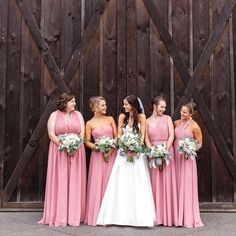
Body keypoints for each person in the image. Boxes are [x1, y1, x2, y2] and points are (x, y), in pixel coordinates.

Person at [96, 95, 156, 227]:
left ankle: (140, 217)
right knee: (122, 183)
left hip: (137, 155)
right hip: (123, 154)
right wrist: (115, 146)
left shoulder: (142, 117)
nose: (124, 107)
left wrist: (136, 148)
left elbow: (141, 136)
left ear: (133, 105)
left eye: (126, 104)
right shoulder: (122, 117)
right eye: (124, 104)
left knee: (137, 182)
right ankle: (119, 216)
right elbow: (119, 135)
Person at [39, 92, 86, 226]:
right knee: (60, 180)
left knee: (75, 181)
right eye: (72, 102)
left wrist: (75, 145)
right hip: (59, 152)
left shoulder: (78, 115)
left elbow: (82, 133)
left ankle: (74, 215)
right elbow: (51, 134)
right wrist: (65, 146)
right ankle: (59, 215)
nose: (74, 104)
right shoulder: (54, 115)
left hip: (77, 151)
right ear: (65, 103)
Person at [84, 96, 117, 226]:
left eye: (105, 105)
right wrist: (95, 147)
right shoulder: (89, 123)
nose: (105, 107)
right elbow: (86, 141)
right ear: (95, 107)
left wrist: (110, 148)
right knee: (97, 183)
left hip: (112, 154)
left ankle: (112, 215)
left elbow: (117, 136)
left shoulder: (110, 119)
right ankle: (97, 215)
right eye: (102, 105)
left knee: (111, 182)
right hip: (97, 157)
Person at [146, 96, 178, 226]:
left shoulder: (168, 119)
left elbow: (171, 135)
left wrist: (166, 150)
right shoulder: (147, 121)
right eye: (161, 107)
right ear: (154, 106)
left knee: (167, 181)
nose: (163, 109)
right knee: (155, 183)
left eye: (164, 107)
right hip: (153, 153)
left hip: (166, 151)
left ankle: (168, 216)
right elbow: (146, 138)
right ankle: (156, 216)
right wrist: (151, 151)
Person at [174, 101, 203, 228]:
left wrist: (190, 149)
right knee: (176, 184)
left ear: (191, 113)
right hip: (175, 156)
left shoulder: (195, 126)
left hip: (187, 158)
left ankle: (187, 217)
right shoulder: (176, 123)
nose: (181, 113)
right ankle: (176, 215)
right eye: (181, 111)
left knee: (186, 185)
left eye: (184, 112)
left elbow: (199, 143)